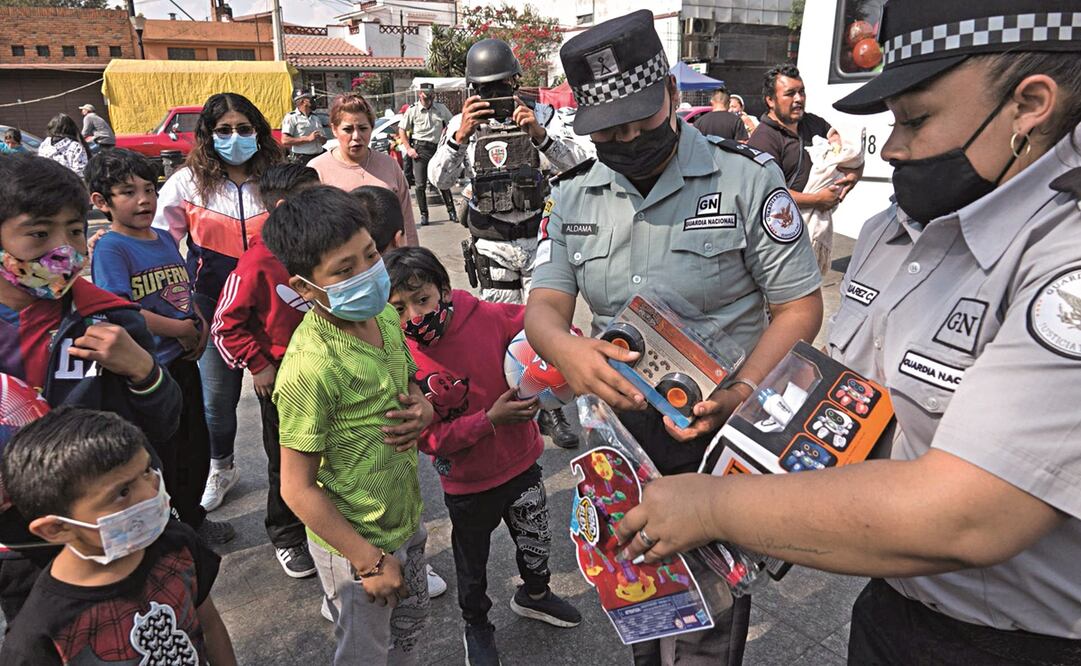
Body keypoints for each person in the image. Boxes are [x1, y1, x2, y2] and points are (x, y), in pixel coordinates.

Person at [615, 2, 1081, 664]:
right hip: (891, 609)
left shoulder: (1065, 259)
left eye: (914, 120)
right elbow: (845, 398)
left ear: (1028, 104)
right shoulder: (897, 230)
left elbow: (969, 514)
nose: (890, 149)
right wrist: (748, 412)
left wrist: (713, 505)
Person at [524, 10, 823, 665]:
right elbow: (543, 303)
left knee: (709, 627)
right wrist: (566, 348)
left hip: (717, 436)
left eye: (640, 120)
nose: (628, 139)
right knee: (639, 601)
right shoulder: (573, 195)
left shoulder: (745, 179)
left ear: (669, 93)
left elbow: (798, 306)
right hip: (620, 447)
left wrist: (744, 387)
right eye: (610, 131)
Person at [0, 155, 182, 622]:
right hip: (20, 545)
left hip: (118, 526)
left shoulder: (112, 318)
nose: (64, 249)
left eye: (75, 230)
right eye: (39, 234)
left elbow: (163, 424)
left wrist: (144, 370)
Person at [386, 246, 581, 665]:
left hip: (523, 463)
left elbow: (541, 325)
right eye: (398, 308)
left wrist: (571, 350)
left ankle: (535, 595)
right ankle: (476, 624)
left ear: (444, 289)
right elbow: (428, 439)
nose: (413, 317)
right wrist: (489, 420)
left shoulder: (489, 317)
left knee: (537, 542)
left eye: (422, 300)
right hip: (466, 483)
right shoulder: (398, 360)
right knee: (471, 566)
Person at [264, 186, 434, 664]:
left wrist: (424, 409)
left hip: (404, 519)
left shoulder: (383, 315)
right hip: (354, 547)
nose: (368, 274)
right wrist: (368, 560)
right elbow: (297, 490)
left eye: (371, 255)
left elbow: (413, 383)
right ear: (305, 287)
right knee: (363, 649)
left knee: (410, 626)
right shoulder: (310, 368)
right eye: (344, 270)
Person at [429, 37, 587, 449]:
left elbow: (578, 164)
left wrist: (540, 137)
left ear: (516, 81)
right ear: (471, 90)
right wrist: (458, 137)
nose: (493, 97)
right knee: (501, 337)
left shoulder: (543, 116)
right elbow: (437, 181)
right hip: (492, 245)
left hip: (537, 241)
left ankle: (551, 411)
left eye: (501, 87)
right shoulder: (459, 127)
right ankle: (516, 412)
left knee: (544, 332)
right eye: (484, 89)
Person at [0, 408, 236, 666]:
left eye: (146, 471)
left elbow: (210, 625)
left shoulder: (176, 543)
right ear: (56, 529)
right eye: (123, 492)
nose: (149, 493)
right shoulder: (36, 638)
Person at [87, 149, 231, 545]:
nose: (144, 200)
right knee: (160, 456)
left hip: (183, 363)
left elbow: (182, 290)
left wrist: (197, 331)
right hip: (148, 373)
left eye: (150, 189)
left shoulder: (166, 238)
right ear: (101, 202)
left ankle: (193, 518)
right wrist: (179, 328)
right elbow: (120, 310)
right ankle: (169, 531)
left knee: (194, 445)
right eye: (127, 192)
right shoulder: (111, 248)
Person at [153, 92, 284, 518]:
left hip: (274, 307)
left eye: (244, 129)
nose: (234, 138)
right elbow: (161, 245)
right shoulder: (186, 183)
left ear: (258, 132)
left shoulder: (278, 177)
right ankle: (221, 467)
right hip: (212, 308)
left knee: (283, 402)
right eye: (223, 130)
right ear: (207, 136)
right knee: (216, 403)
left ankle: (290, 483)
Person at [747, 64, 861, 213]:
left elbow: (849, 151)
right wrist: (817, 200)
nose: (798, 99)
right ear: (770, 100)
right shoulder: (763, 139)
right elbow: (767, 192)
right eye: (790, 94)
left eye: (802, 92)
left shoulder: (814, 124)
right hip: (782, 227)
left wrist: (854, 174)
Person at [310, 93, 419, 246]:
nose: (356, 136)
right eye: (348, 129)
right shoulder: (317, 170)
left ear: (371, 128)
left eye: (363, 128)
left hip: (390, 263)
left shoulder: (389, 165)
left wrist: (412, 259)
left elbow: (406, 220)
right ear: (334, 130)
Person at [399, 83, 457, 227]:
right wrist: (408, 149)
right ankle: (424, 214)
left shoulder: (441, 108)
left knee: (442, 181)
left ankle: (452, 212)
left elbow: (452, 124)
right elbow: (401, 130)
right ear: (420, 94)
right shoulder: (412, 110)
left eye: (431, 95)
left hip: (437, 149)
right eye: (426, 95)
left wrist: (448, 142)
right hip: (420, 150)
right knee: (419, 185)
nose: (429, 98)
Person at [281, 90, 326, 166]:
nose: (313, 101)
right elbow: (285, 140)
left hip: (318, 156)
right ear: (303, 101)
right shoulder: (291, 117)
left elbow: (324, 140)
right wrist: (308, 139)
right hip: (303, 159)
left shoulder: (315, 118)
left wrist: (321, 138)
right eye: (310, 99)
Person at [37, 114, 89, 178]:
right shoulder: (75, 146)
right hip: (69, 185)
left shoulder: (44, 145)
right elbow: (81, 172)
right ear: (72, 128)